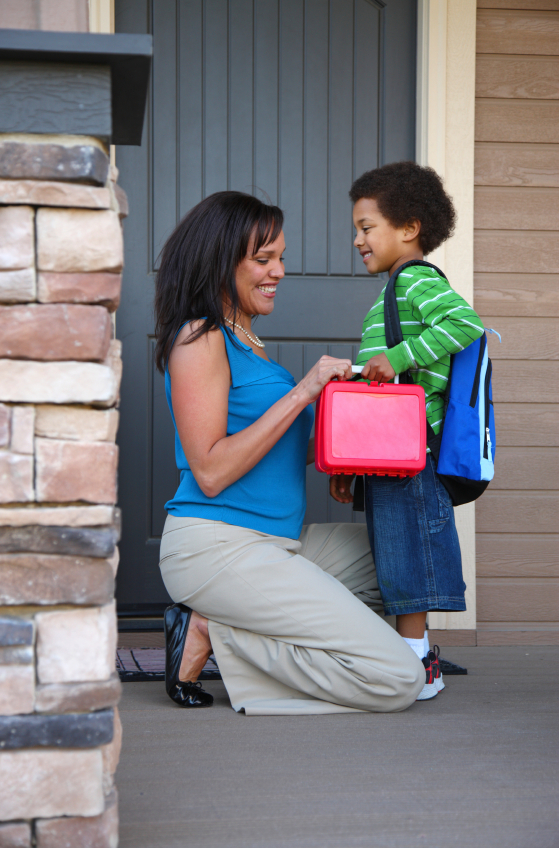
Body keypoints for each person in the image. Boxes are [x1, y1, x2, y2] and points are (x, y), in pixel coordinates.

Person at [154, 190, 425, 714]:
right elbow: (210, 469)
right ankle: (213, 632)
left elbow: (276, 447)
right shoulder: (199, 338)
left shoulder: (249, 341)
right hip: (216, 546)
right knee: (396, 678)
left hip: (279, 542)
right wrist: (304, 391)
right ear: (219, 261)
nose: (278, 271)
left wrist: (341, 453)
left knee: (403, 551)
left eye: (280, 258)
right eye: (263, 260)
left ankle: (231, 622)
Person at [330, 161, 485, 700]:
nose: (357, 240)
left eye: (366, 227)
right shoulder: (394, 289)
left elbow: (466, 325)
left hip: (412, 450)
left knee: (408, 557)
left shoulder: (416, 278)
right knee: (395, 553)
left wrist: (396, 355)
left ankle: (416, 665)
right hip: (388, 450)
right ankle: (411, 658)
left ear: (409, 228)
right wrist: (351, 463)